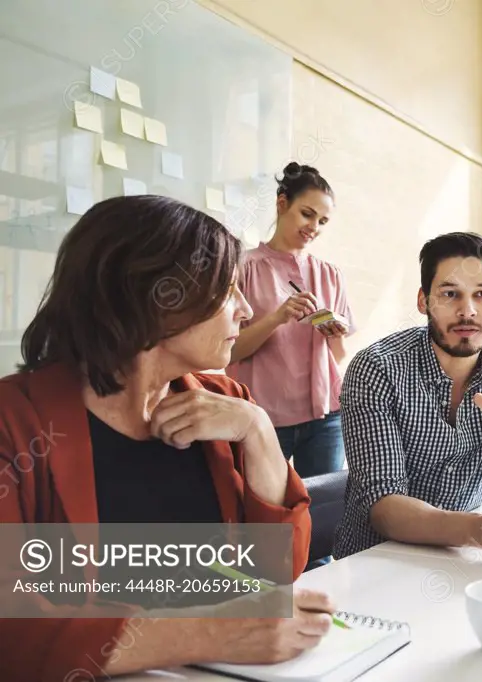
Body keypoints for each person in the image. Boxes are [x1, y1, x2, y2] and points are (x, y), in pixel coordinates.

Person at [0, 196, 338, 680]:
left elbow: (277, 569)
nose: (244, 310)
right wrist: (212, 632)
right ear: (156, 300)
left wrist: (258, 430)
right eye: (227, 291)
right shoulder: (15, 421)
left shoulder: (227, 399)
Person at [333, 232, 482, 560]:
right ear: (424, 301)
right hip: (375, 561)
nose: (468, 311)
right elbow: (383, 506)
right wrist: (478, 530)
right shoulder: (377, 368)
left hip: (460, 558)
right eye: (450, 294)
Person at [227, 162, 356, 478]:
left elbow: (338, 356)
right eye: (307, 214)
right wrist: (278, 317)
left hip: (326, 417)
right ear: (282, 203)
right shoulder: (241, 267)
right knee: (260, 515)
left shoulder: (330, 274)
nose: (315, 226)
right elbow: (228, 353)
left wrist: (332, 331)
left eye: (323, 220)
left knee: (321, 514)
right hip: (261, 418)